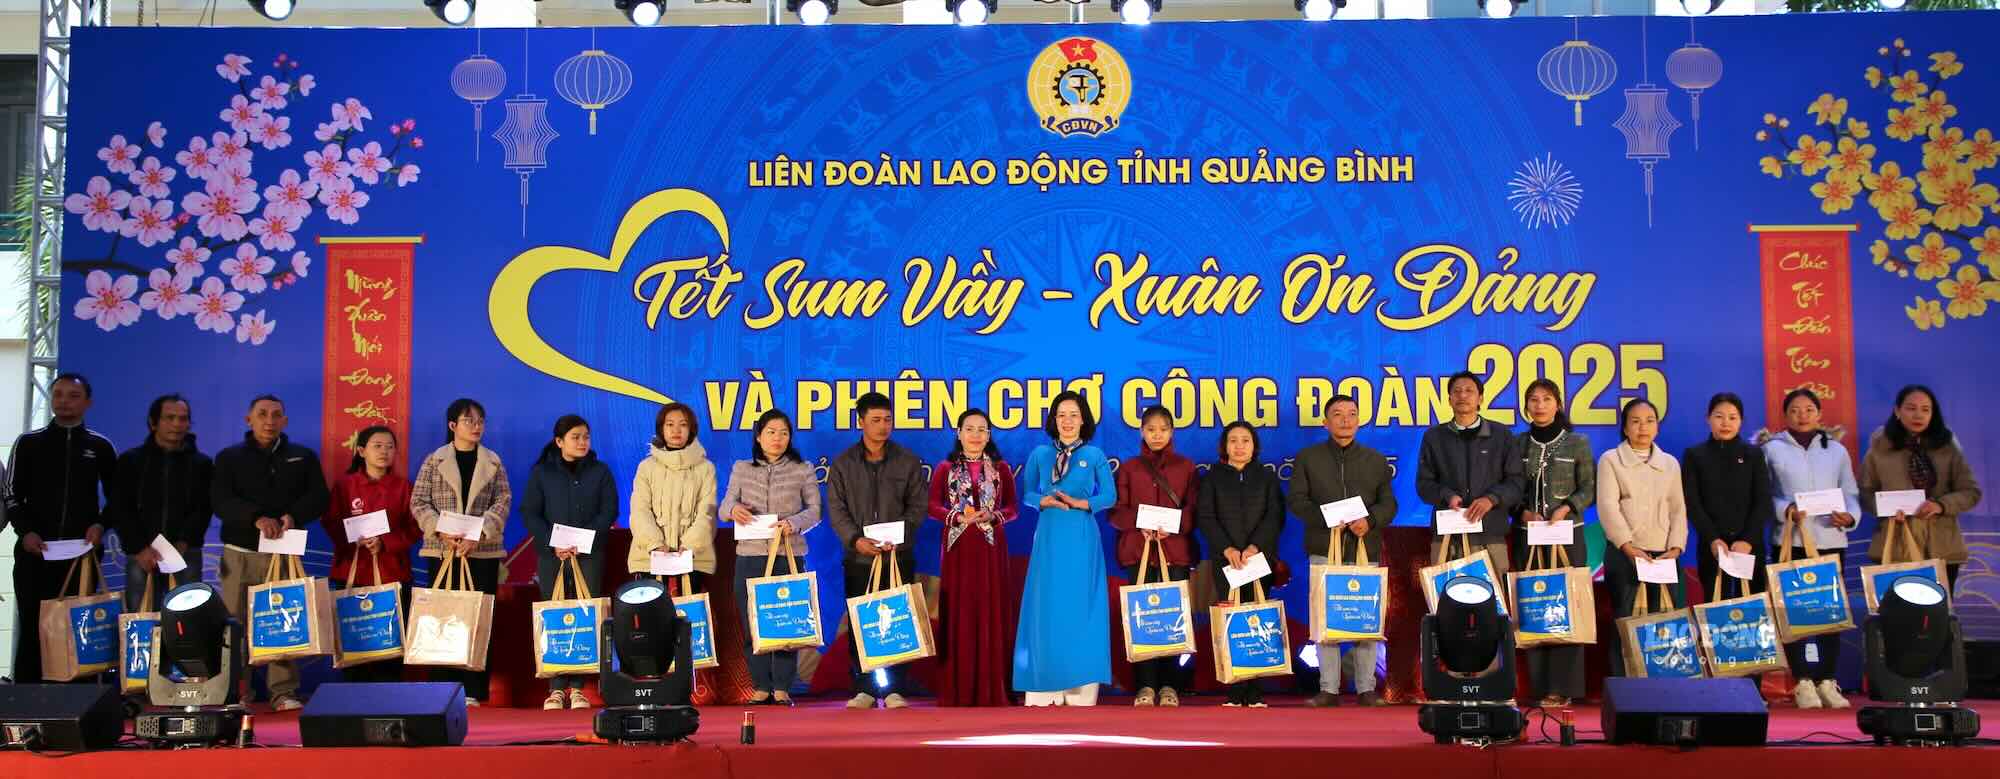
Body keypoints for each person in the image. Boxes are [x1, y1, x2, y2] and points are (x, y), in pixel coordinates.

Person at [211, 394, 329, 709]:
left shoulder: (302, 457)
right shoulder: (229, 457)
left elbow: (319, 497)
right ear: (248, 420)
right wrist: (255, 518)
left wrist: (293, 516)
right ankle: (238, 691)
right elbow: (220, 501)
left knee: (284, 619)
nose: (269, 420)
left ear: (285, 421)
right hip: (241, 551)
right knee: (235, 622)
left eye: (276, 414)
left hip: (285, 552)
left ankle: (283, 691)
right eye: (262, 414)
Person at [5, 373, 118, 682]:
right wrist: (25, 531)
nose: (64, 401)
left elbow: (118, 497)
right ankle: (26, 697)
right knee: (33, 625)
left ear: (87, 402)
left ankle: (75, 702)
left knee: (77, 629)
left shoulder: (100, 446)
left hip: (81, 555)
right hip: (35, 552)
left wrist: (100, 525)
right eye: (58, 394)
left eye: (72, 395)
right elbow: (11, 493)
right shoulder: (28, 443)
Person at [1288, 394, 1396, 708]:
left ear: (1360, 420)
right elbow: (1297, 500)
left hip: (1365, 549)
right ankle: (1328, 689)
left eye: (1351, 413)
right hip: (1324, 548)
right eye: (1337, 414)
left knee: (1365, 621)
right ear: (1325, 422)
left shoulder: (1376, 460)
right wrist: (1327, 518)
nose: (1345, 420)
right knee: (1326, 622)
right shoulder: (1308, 458)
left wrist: (1371, 520)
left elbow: (1389, 503)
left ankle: (1366, 689)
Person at [825, 392, 928, 710]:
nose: (883, 426)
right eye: (875, 420)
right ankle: (865, 687)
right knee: (860, 623)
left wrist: (902, 536)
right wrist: (855, 539)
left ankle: (896, 687)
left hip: (897, 556)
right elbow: (836, 509)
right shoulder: (843, 464)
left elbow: (918, 507)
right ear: (860, 422)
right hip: (859, 556)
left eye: (887, 420)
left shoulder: (907, 461)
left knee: (899, 620)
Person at [1014, 391, 1116, 707]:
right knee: (1047, 605)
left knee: (1080, 605)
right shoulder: (1040, 454)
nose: (1067, 421)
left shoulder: (1095, 454)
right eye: (1061, 414)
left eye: (1073, 414)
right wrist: (1040, 501)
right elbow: (1027, 493)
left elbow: (1109, 497)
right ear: (1053, 419)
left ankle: (1080, 684)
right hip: (1048, 536)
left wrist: (1083, 503)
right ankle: (1044, 682)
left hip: (1081, 534)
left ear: (1083, 419)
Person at [1763, 388, 1861, 709]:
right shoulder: (1772, 450)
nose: (1802, 415)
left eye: (1809, 409)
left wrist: (1850, 517)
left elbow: (1850, 493)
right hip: (1790, 541)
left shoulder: (1836, 450)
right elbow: (1764, 495)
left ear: (1819, 414)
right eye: (1795, 409)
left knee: (1830, 614)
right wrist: (1785, 509)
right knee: (1795, 614)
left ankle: (1827, 680)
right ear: (1785, 415)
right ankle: (1802, 681)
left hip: (1830, 540)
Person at [409, 398, 511, 706]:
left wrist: (480, 533)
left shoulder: (493, 461)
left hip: (482, 552)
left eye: (480, 421)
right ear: (452, 425)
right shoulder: (434, 460)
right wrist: (439, 530)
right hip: (443, 551)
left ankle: (474, 690)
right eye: (469, 421)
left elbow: (503, 500)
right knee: (442, 620)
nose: (476, 426)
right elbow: (419, 501)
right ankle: (443, 688)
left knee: (477, 620)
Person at [719, 409, 819, 705]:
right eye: (771, 432)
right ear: (759, 436)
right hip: (750, 555)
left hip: (787, 555)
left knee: (786, 622)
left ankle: (782, 687)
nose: (778, 438)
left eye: (784, 433)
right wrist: (733, 511)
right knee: (753, 623)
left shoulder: (803, 469)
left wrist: (793, 523)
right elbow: (725, 507)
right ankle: (760, 686)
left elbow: (815, 511)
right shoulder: (742, 467)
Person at [521, 414, 620, 710]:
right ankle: (555, 688)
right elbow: (530, 513)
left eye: (586, 437)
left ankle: (579, 688)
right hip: (553, 556)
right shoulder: (542, 473)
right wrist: (554, 541)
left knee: (584, 616)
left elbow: (610, 510)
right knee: (555, 619)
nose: (582, 442)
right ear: (559, 441)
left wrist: (584, 539)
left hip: (588, 554)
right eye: (575, 437)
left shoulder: (600, 472)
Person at [1505, 380, 1594, 707]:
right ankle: (1539, 686)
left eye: (1546, 399)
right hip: (1528, 536)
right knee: (1535, 605)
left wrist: (1567, 507)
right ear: (1526, 406)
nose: (1540, 405)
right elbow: (1510, 489)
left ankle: (1563, 687)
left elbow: (1589, 488)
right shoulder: (1516, 444)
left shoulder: (1577, 443)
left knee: (1567, 607)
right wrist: (1522, 512)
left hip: (1567, 535)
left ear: (1558, 404)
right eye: (1533, 400)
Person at [927, 408, 1021, 707]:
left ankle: (992, 686)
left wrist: (993, 516)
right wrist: (955, 517)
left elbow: (1013, 509)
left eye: (982, 430)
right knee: (959, 611)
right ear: (958, 433)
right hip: (958, 549)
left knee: (990, 610)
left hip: (991, 548)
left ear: (989, 435)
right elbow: (932, 506)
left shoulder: (1001, 469)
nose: (976, 435)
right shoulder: (945, 468)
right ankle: (959, 687)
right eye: (970, 429)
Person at [1108, 405, 1198, 708]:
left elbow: (1193, 510)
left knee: (1173, 621)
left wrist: (1170, 528)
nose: (1157, 435)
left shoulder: (1186, 467)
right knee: (1142, 620)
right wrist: (1141, 524)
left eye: (1163, 429)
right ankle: (1145, 686)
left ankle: (1171, 685)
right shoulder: (1130, 468)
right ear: (1142, 432)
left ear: (1172, 431)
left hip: (1174, 553)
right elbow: (1116, 512)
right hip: (1138, 551)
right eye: (1150, 429)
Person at [1861, 385, 1983, 592]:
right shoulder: (1879, 448)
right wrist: (1885, 509)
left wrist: (1940, 505)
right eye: (1911, 408)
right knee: (1899, 619)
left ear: (1933, 414)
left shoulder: (1948, 446)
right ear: (1897, 411)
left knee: (1937, 619)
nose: (1918, 415)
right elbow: (1865, 492)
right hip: (1896, 548)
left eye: (1926, 409)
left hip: (1943, 548)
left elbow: (1971, 492)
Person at [324, 425, 422, 683]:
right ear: (361, 451)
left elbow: (415, 528)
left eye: (390, 447)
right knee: (353, 642)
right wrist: (352, 539)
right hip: (351, 573)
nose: (384, 452)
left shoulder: (404, 488)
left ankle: (389, 697)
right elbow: (332, 521)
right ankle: (354, 700)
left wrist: (386, 543)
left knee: (390, 643)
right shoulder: (345, 486)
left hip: (393, 573)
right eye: (377, 446)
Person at [1199, 422, 1286, 708]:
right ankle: (1235, 690)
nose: (1239, 446)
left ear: (1254, 446)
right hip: (1226, 562)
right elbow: (1206, 517)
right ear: (1224, 446)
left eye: (1245, 440)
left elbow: (1275, 516)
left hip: (1258, 559)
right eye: (1233, 440)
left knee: (1258, 621)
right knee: (1232, 622)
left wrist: (1253, 547)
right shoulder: (1212, 478)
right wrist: (1227, 549)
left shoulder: (1267, 477)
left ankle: (1256, 690)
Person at [1597, 398, 1687, 674]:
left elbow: (1677, 508)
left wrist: (1676, 547)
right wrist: (1627, 546)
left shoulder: (1670, 464)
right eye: (1635, 421)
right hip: (1626, 554)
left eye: (1649, 421)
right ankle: (1624, 685)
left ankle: (1665, 681)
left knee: (1666, 622)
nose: (1643, 427)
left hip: (1664, 556)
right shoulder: (1611, 460)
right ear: (1625, 428)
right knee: (1626, 620)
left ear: (1658, 427)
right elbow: (1608, 507)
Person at [109, 394, 213, 620]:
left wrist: (184, 541)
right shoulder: (131, 460)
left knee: (189, 621)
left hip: (185, 553)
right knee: (142, 618)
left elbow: (204, 508)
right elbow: (120, 507)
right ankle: (145, 657)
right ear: (153, 422)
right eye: (170, 418)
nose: (177, 424)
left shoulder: (202, 464)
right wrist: (138, 547)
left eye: (183, 419)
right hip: (142, 555)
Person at [1416, 371, 1523, 573]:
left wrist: (1491, 499)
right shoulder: (1434, 437)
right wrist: (1446, 495)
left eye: (1469, 391)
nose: (1462, 396)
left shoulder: (1501, 435)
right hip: (1448, 535)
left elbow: (1516, 483)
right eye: (1456, 391)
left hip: (1490, 534)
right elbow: (1424, 485)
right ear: (1449, 400)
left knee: (1492, 600)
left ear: (1480, 398)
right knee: (1445, 598)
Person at [1682, 393, 1777, 598]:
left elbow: (1763, 501)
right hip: (1713, 546)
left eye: (1732, 417)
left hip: (1750, 546)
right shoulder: (1695, 455)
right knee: (1716, 608)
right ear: (1708, 418)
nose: (1726, 423)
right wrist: (1713, 538)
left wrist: (1747, 540)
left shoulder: (1754, 454)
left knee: (1753, 609)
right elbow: (1692, 503)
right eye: (1719, 416)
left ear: (1741, 421)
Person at [628, 403, 717, 598]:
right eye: (670, 424)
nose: (676, 430)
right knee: (652, 620)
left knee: (688, 621)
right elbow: (639, 510)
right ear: (661, 429)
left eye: (683, 425)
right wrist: (656, 544)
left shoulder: (706, 468)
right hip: (650, 557)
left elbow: (707, 513)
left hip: (691, 557)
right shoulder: (646, 467)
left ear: (691, 430)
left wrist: (689, 546)